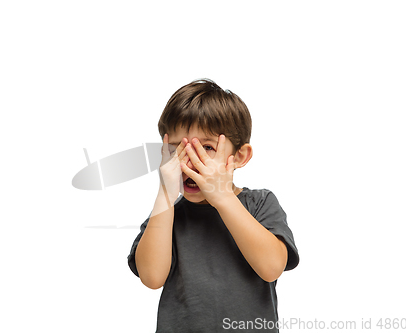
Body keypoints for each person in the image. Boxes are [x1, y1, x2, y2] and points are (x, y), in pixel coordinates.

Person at [127, 79, 299, 332]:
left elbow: (272, 268)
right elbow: (152, 278)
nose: (190, 162)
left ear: (239, 156)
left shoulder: (260, 203)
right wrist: (165, 193)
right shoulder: (166, 216)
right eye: (177, 151)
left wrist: (222, 196)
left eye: (206, 148)